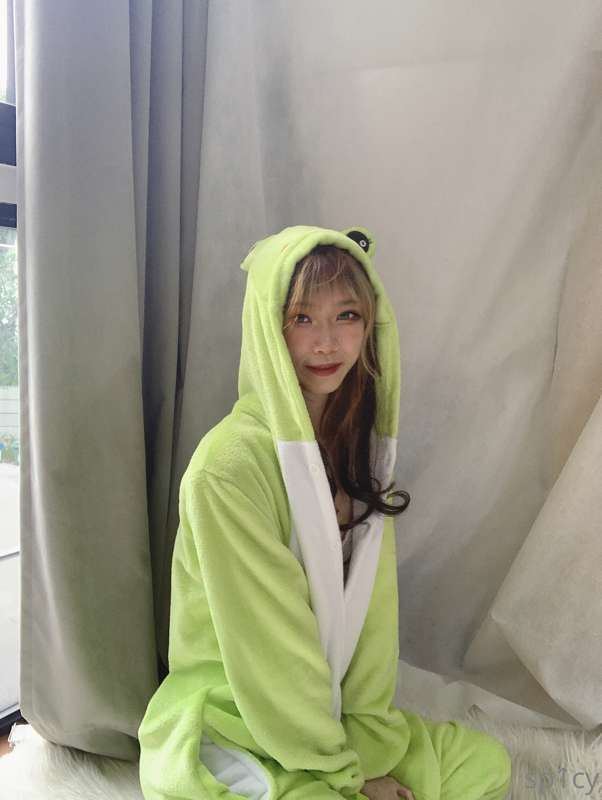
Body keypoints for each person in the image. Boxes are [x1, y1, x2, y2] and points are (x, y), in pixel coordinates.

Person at [137, 225, 512, 800]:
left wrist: (368, 747)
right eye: (302, 318)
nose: (327, 343)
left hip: (326, 716)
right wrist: (346, 776)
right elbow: (272, 653)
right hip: (236, 719)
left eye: (347, 316)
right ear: (268, 326)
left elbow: (373, 623)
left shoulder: (355, 449)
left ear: (371, 324)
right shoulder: (228, 469)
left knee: (485, 765)